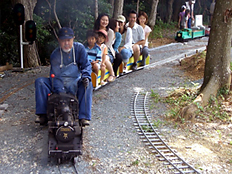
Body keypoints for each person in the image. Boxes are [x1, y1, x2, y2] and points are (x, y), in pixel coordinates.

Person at [35, 27, 92, 126]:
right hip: (60, 82)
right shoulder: (55, 54)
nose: (66, 43)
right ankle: (43, 114)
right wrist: (61, 93)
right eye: (63, 41)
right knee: (40, 82)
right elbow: (54, 76)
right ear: (58, 40)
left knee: (88, 84)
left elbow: (86, 65)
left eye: (68, 40)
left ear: (73, 39)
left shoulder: (79, 49)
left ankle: (83, 117)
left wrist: (86, 77)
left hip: (75, 81)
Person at [94, 14, 117, 81]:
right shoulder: (95, 30)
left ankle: (112, 74)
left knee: (105, 58)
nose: (104, 22)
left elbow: (107, 45)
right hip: (95, 51)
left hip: (107, 52)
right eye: (103, 20)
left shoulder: (110, 32)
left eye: (106, 20)